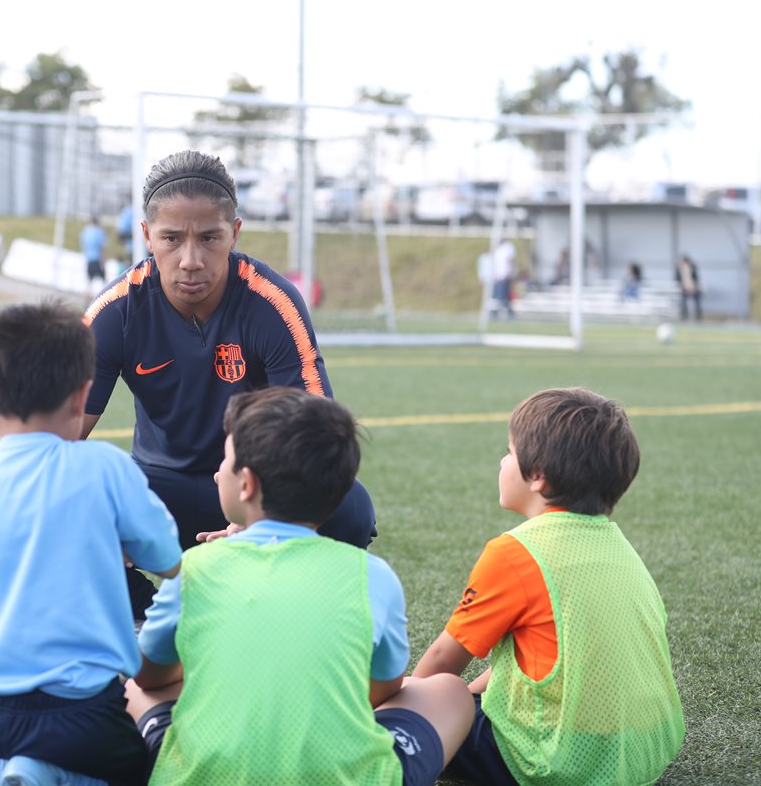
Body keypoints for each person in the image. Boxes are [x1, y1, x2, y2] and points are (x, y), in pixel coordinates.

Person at [0, 301, 182, 786]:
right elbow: (167, 558)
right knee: (140, 761)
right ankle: (36, 768)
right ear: (82, 395)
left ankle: (18, 767)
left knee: (14, 748)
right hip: (83, 709)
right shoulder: (105, 469)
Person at [126, 387, 474, 785]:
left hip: (203, 777)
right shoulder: (373, 576)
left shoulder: (196, 568)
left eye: (225, 461)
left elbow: (149, 676)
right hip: (345, 777)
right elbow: (381, 690)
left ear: (246, 484)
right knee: (449, 692)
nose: (217, 473)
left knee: (133, 688)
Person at [82, 150, 377, 558]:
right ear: (147, 236)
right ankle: (152, 600)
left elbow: (319, 437)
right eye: (171, 239)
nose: (190, 261)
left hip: (253, 488)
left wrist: (255, 518)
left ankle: (273, 591)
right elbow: (54, 439)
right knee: (80, 504)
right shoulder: (115, 310)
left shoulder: (272, 303)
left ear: (234, 233)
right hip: (157, 489)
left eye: (209, 238)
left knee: (349, 508)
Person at [412, 387, 685, 785]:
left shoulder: (514, 554)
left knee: (418, 699)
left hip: (556, 763)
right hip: (643, 753)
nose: (502, 461)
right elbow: (537, 663)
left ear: (537, 475)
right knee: (462, 698)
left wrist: (408, 710)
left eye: (509, 451)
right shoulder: (620, 547)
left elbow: (440, 662)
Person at [81, 215, 108, 296]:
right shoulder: (99, 232)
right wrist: (103, 259)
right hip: (97, 258)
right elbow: (102, 247)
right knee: (104, 280)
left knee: (89, 280)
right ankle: (107, 297)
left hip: (89, 258)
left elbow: (83, 243)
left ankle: (86, 298)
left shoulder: (86, 231)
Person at [491, 239, 516, 319]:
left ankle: (509, 313)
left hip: (505, 275)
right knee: (497, 296)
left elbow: (511, 260)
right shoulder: (498, 248)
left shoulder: (508, 247)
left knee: (504, 296)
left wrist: (511, 272)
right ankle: (495, 313)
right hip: (497, 276)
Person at [676, 254, 701, 320]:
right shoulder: (679, 269)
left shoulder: (692, 268)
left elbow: (695, 279)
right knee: (683, 302)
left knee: (697, 302)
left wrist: (693, 287)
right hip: (684, 288)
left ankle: (698, 317)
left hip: (693, 288)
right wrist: (684, 287)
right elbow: (678, 279)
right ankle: (684, 316)